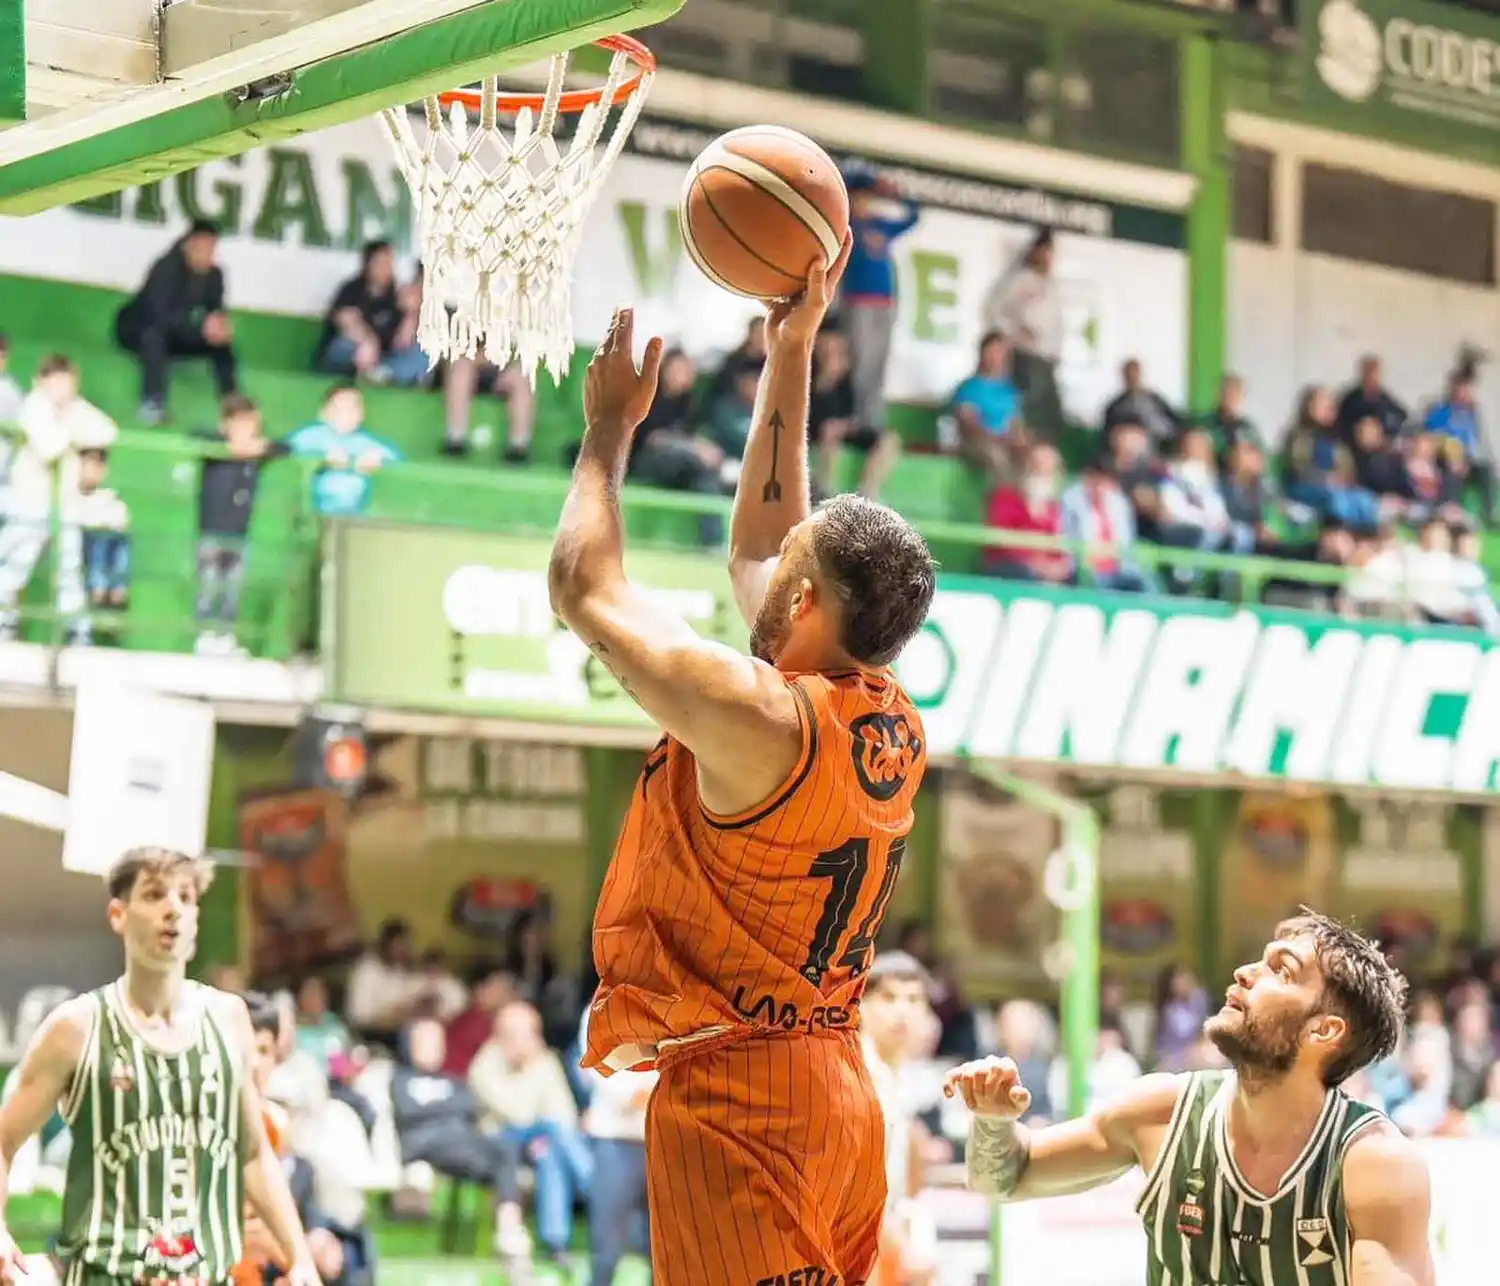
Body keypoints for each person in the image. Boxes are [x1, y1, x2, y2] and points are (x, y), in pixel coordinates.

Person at [549, 234, 937, 1286]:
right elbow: (765, 543)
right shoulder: (887, 719)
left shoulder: (759, 716)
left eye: (790, 569)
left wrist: (606, 434)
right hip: (836, 1085)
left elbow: (584, 588)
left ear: (804, 601)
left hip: (745, 1099)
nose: (768, 562)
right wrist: (791, 348)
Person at [944, 910, 1432, 1286]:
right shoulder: (1162, 1111)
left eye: (1281, 971)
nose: (1245, 972)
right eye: (1259, 959)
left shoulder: (1373, 1163)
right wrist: (993, 1121)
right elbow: (1005, 1178)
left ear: (1323, 1031)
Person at [0, 847, 321, 1286]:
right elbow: (4, 1140)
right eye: (154, 894)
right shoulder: (76, 1027)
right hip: (107, 1275)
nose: (173, 909)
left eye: (185, 897)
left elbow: (251, 1152)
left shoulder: (229, 1019)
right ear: (118, 914)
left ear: (196, 918)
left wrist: (300, 1258)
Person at [861, 954, 938, 1286]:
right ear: (861, 1006)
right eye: (889, 997)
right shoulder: (857, 1074)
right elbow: (859, 1192)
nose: (902, 1010)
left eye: (913, 999)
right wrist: (901, 1246)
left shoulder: (899, 1078)